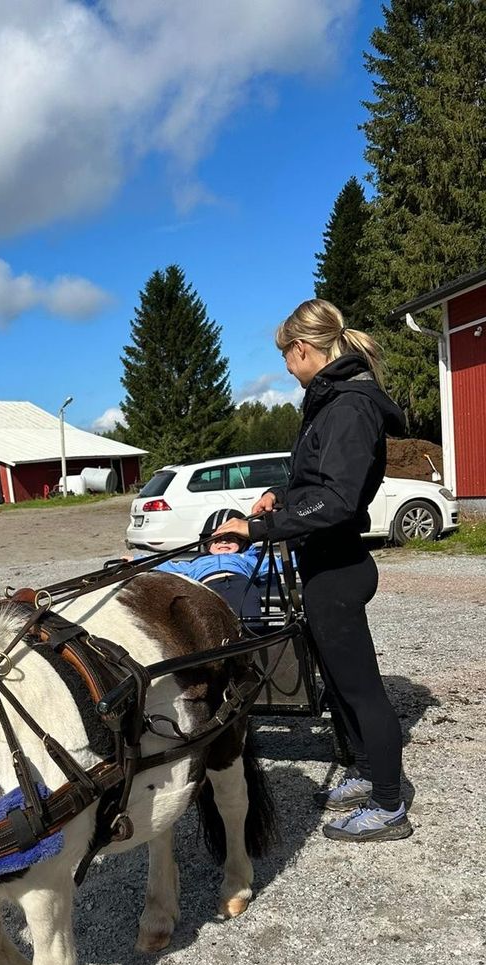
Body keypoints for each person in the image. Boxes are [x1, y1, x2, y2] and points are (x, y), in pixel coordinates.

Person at [212, 298, 411, 842]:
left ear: (303, 349)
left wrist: (254, 531)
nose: (285, 366)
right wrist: (280, 496)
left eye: (285, 356)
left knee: (361, 688)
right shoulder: (330, 402)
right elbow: (316, 484)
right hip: (324, 561)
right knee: (340, 688)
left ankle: (391, 805)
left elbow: (338, 500)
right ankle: (368, 772)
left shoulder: (347, 407)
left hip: (338, 566)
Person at [149, 508, 279, 618]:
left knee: (250, 622)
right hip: (205, 589)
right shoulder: (196, 563)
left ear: (243, 542)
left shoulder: (251, 558)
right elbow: (163, 565)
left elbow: (279, 563)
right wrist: (133, 560)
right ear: (206, 544)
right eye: (216, 539)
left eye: (230, 538)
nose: (223, 542)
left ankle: (253, 641)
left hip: (241, 586)